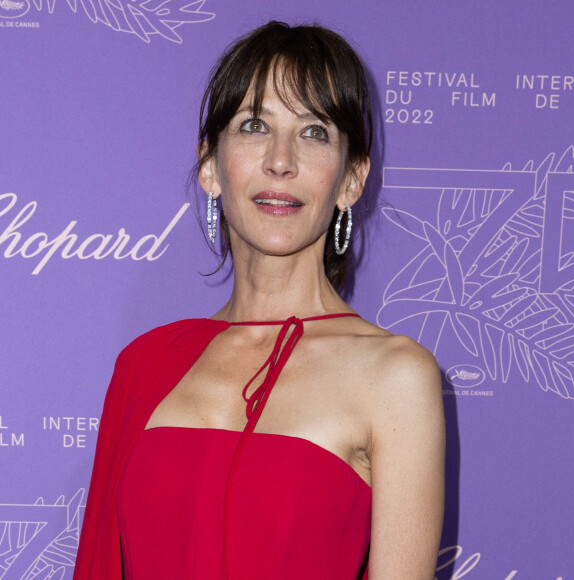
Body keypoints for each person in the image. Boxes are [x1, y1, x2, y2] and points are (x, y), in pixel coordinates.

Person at [73, 21, 445, 580]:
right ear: (209, 167)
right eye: (253, 125)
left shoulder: (396, 375)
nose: (280, 160)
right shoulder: (143, 364)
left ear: (351, 180)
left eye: (314, 132)